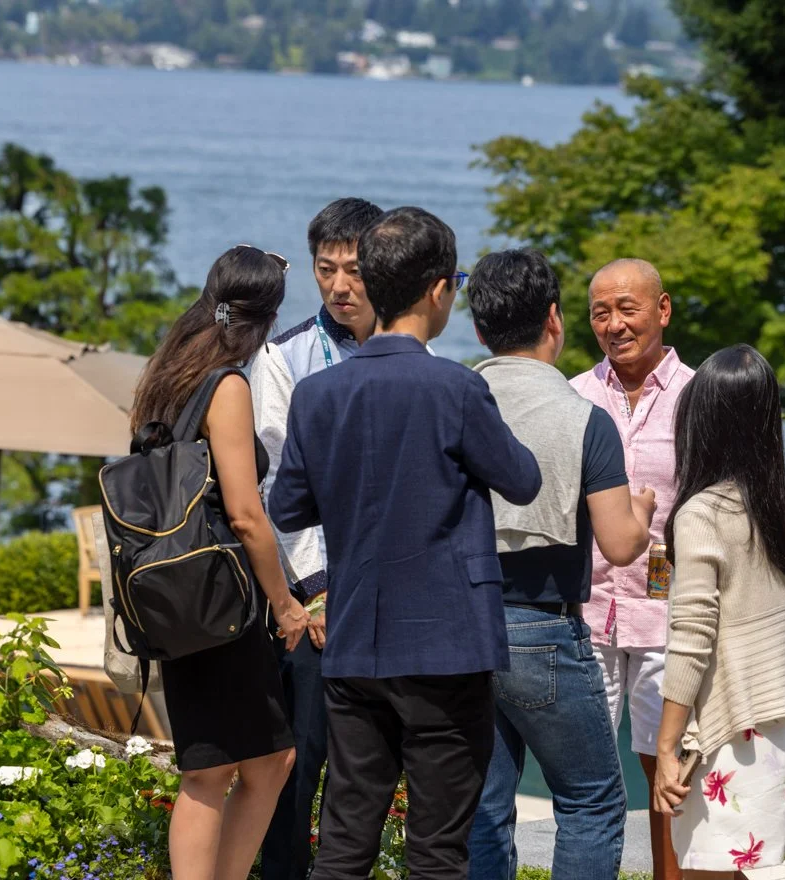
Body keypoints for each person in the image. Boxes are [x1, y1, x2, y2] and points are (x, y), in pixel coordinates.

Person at [267, 207, 542, 880]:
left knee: (343, 841)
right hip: (447, 646)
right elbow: (522, 479)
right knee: (437, 849)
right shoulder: (457, 387)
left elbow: (289, 506)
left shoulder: (318, 394)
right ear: (438, 289)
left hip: (356, 641)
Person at [463, 248, 656, 880]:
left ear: (479, 329)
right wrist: (641, 511)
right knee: (591, 799)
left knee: (484, 806)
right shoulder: (584, 417)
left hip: (462, 625)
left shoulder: (453, 402)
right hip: (543, 625)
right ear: (555, 318)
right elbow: (621, 545)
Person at [128, 245, 311, 880]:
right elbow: (245, 514)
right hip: (221, 603)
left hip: (177, 596)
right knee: (211, 771)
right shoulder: (226, 385)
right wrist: (285, 604)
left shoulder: (168, 372)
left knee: (260, 762)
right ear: (268, 318)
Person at [651, 344, 785, 879]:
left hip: (727, 726)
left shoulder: (701, 514)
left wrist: (665, 746)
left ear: (700, 424)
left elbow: (692, 638)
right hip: (782, 716)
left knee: (706, 869)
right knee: (746, 866)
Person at [252, 196, 382, 880]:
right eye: (326, 269)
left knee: (368, 771)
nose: (339, 285)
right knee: (298, 763)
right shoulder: (285, 356)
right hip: (314, 603)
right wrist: (318, 587)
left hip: (386, 596)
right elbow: (275, 487)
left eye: (353, 269)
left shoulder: (411, 350)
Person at [570, 257, 695, 880]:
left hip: (669, 609)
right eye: (601, 313)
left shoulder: (698, 396)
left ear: (662, 309)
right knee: (584, 767)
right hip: (588, 608)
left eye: (628, 308)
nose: (614, 324)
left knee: (665, 766)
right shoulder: (573, 395)